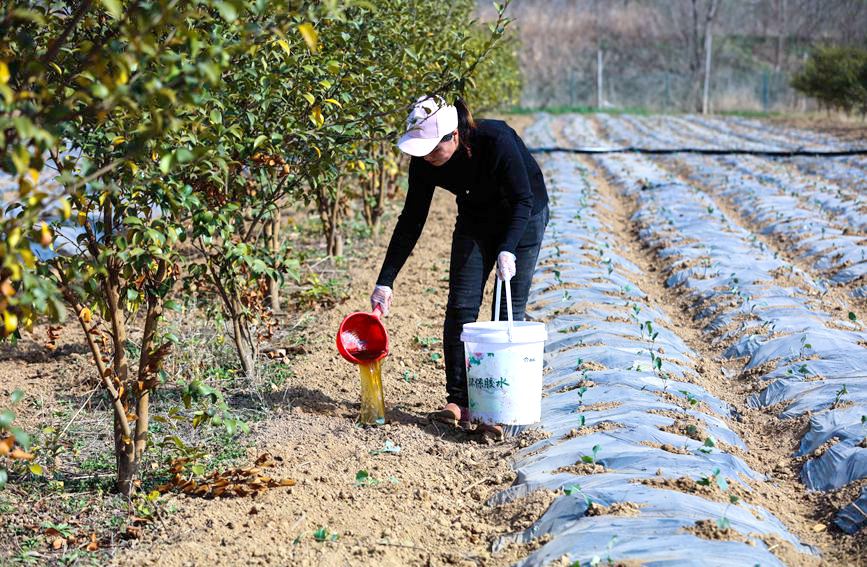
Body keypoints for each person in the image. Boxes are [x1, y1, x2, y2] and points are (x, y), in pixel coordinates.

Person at [370, 95, 549, 440]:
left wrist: (508, 250)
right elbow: (411, 220)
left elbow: (523, 200)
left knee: (505, 311)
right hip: (476, 220)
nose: (424, 156)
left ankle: (497, 410)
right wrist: (385, 281)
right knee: (460, 307)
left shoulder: (496, 141)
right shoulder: (425, 161)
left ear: (453, 137)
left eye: (430, 149)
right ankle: (460, 401)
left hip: (522, 219)